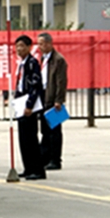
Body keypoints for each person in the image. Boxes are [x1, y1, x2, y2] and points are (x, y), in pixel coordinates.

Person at [14, 35, 46, 180]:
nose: (19, 49)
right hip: (20, 103)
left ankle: (38, 170)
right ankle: (28, 168)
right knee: (23, 139)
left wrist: (30, 105)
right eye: (17, 46)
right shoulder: (21, 63)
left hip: (28, 105)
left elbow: (35, 86)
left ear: (28, 47)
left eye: (21, 46)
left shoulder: (33, 63)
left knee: (31, 138)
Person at [37, 32, 68, 171]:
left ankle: (55, 159)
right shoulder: (43, 58)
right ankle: (45, 157)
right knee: (45, 130)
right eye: (38, 44)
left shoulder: (58, 59)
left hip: (53, 98)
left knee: (54, 131)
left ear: (50, 43)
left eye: (42, 44)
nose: (40, 46)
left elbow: (61, 81)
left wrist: (59, 99)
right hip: (44, 96)